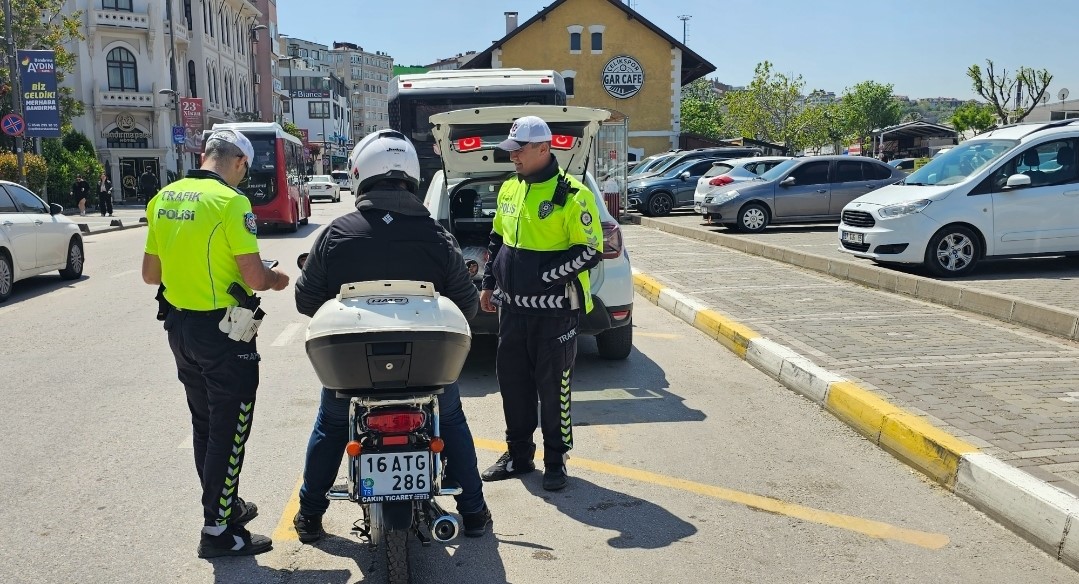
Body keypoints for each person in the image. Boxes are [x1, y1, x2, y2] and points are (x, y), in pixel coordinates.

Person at [292, 129, 492, 542]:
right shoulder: (438, 238)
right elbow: (466, 307)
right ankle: (473, 512)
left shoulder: (337, 233)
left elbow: (306, 300)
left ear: (359, 174)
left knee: (331, 423)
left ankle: (310, 515)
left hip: (351, 370)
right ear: (412, 177)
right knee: (450, 419)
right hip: (428, 367)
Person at [141, 129, 290, 559]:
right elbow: (256, 277)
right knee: (231, 428)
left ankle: (223, 508)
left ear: (206, 154)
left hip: (180, 329)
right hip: (223, 334)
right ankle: (217, 531)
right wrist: (278, 279)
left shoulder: (164, 197)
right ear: (240, 162)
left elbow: (152, 276)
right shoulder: (231, 202)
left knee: (205, 424)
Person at [478, 116, 604, 491]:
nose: (512, 157)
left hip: (555, 313)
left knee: (554, 388)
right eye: (511, 150)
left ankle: (555, 461)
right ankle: (518, 456)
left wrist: (543, 277)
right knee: (513, 385)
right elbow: (497, 240)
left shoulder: (573, 194)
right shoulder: (509, 189)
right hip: (512, 311)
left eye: (519, 150)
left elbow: (589, 251)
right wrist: (488, 283)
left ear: (543, 148)